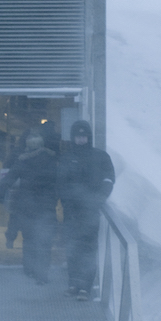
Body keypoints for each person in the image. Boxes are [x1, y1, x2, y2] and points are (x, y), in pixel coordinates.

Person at [58, 120, 115, 300]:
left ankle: (86, 288)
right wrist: (66, 200)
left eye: (83, 136)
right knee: (72, 249)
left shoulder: (100, 156)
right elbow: (60, 183)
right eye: (77, 136)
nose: (80, 140)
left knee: (88, 250)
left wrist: (100, 198)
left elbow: (109, 179)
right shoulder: (66, 158)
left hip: (90, 213)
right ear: (72, 138)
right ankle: (73, 285)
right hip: (71, 213)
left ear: (88, 137)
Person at [0, 128, 59, 285]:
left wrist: (0, 194)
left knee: (29, 239)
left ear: (29, 146)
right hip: (46, 207)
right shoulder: (52, 160)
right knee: (44, 241)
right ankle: (42, 274)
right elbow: (60, 182)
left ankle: (29, 269)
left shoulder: (23, 161)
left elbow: (8, 179)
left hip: (27, 207)